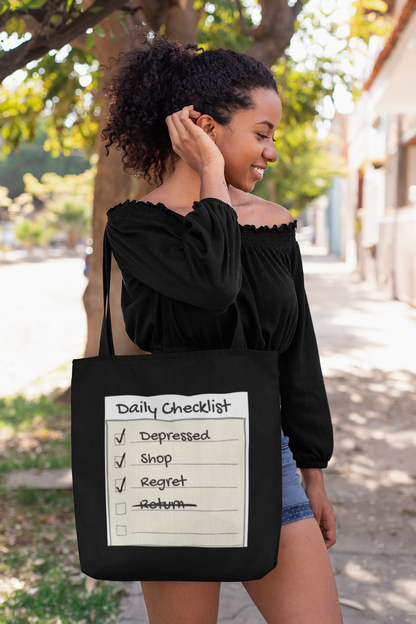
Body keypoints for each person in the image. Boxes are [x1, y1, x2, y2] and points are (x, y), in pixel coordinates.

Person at [101, 34, 343, 624]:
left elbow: (297, 353)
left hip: (267, 455)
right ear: (204, 127)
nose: (273, 152)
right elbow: (213, 286)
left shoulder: (275, 225)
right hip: (170, 462)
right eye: (262, 133)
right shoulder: (137, 229)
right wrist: (210, 172)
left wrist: (312, 471)